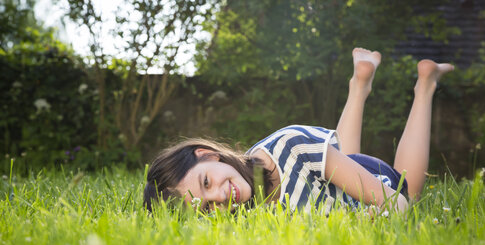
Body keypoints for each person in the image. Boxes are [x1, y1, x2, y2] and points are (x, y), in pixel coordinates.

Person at [144, 48, 454, 214]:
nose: (220, 195)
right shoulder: (242, 216)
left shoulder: (290, 147)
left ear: (208, 155)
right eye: (207, 206)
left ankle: (425, 85)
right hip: (332, 179)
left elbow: (394, 205)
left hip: (369, 178)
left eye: (207, 181)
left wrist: (377, 218)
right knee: (338, 158)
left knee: (408, 192)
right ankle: (360, 83)